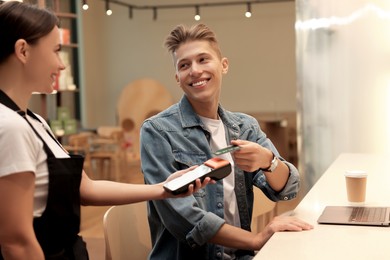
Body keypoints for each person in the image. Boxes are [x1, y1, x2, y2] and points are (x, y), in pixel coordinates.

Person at [0, 2, 212, 259]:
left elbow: (85, 189)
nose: (62, 65)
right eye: (56, 51)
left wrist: (164, 188)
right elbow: (17, 243)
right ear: (23, 50)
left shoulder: (33, 120)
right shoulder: (9, 126)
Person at [140, 23, 313, 259]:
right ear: (178, 78)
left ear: (224, 65)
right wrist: (255, 239)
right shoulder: (157, 131)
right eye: (184, 65)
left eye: (203, 59)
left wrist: (267, 160)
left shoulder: (244, 127)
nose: (195, 70)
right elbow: (184, 218)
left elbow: (287, 188)